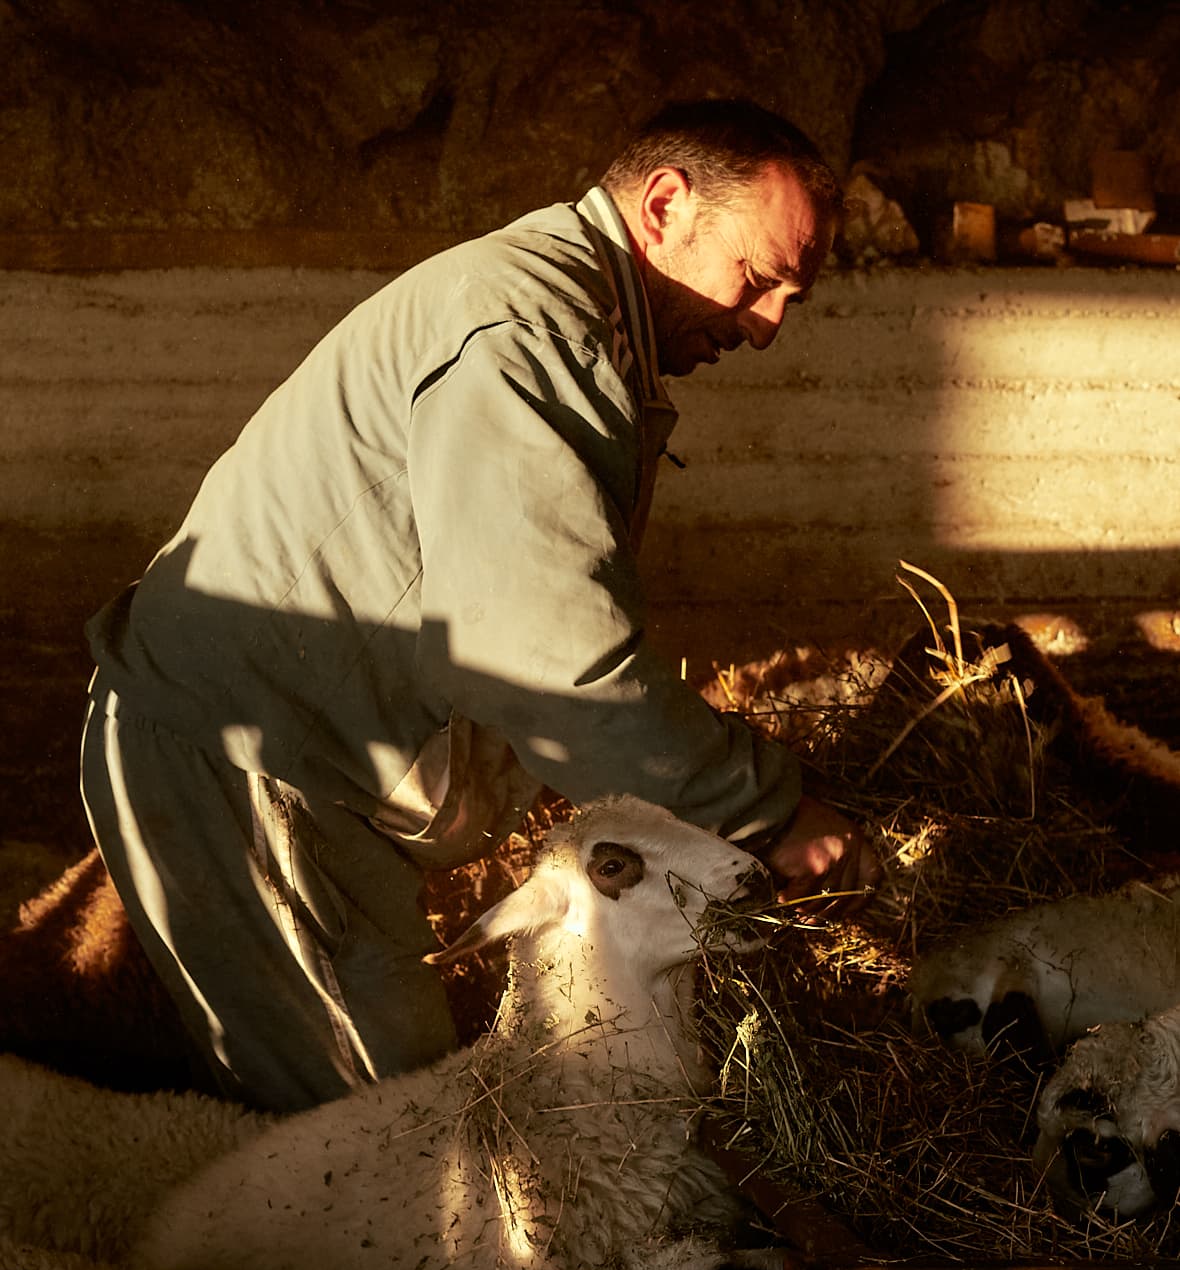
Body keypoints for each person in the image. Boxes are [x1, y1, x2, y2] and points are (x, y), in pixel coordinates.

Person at [80, 97, 881, 1114]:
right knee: (386, 1139)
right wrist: (764, 811)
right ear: (665, 204)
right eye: (759, 279)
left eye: (790, 300)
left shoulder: (562, 312)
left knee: (403, 1124)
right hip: (249, 760)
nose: (767, 327)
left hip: (304, 757)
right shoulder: (528, 330)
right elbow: (546, 658)